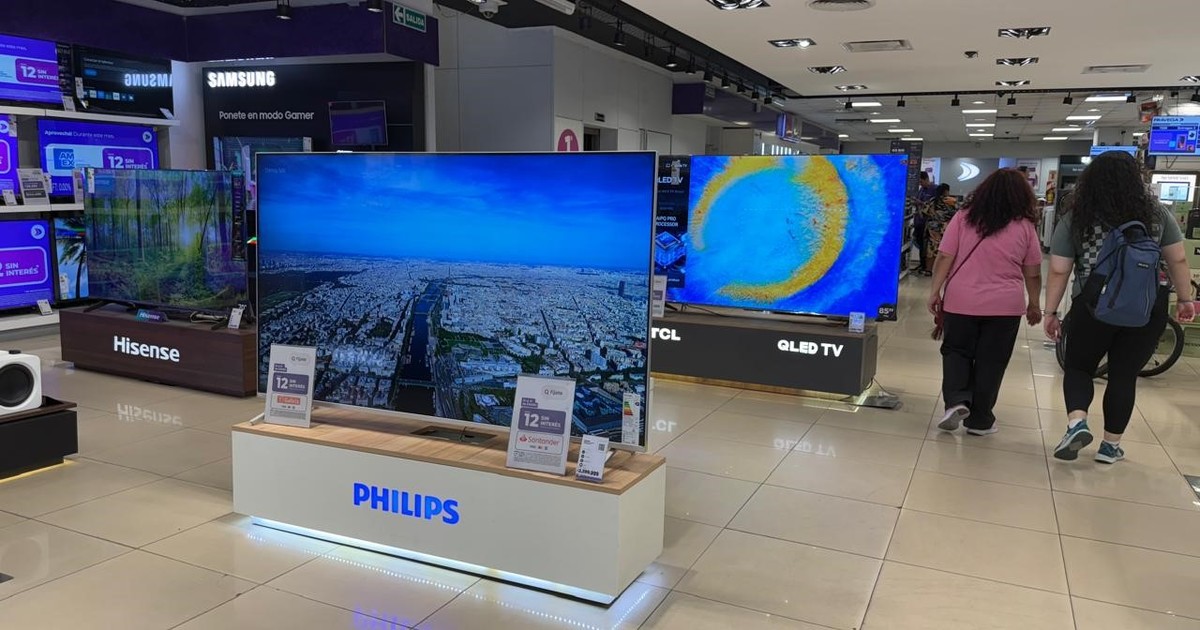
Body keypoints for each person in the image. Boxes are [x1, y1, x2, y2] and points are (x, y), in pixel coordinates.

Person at [1043, 151, 1196, 464]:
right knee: (1123, 375)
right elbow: (1178, 259)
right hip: (1146, 306)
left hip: (1093, 304)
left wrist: (1051, 312)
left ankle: (1077, 422)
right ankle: (1110, 447)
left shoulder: (1078, 215)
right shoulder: (1157, 214)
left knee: (1079, 368)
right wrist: (1184, 299)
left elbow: (1059, 269)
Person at [929, 169, 1043, 434]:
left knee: (956, 352)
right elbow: (1033, 272)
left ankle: (956, 401)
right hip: (1005, 306)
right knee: (992, 361)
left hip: (961, 300)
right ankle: (980, 421)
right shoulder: (1025, 227)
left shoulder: (963, 217)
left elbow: (945, 256)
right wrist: (1034, 304)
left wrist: (934, 291)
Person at [922, 183, 958, 274]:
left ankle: (928, 270)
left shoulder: (932, 200)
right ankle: (943, 271)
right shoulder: (950, 201)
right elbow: (955, 213)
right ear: (946, 191)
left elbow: (924, 212)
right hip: (945, 228)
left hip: (932, 228)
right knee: (944, 249)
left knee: (931, 249)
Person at [913, 172, 937, 273]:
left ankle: (927, 266)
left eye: (921, 181)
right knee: (920, 244)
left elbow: (932, 206)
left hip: (928, 223)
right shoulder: (921, 190)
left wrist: (921, 203)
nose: (920, 184)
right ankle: (922, 264)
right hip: (919, 221)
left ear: (927, 179)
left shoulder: (934, 189)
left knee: (927, 245)